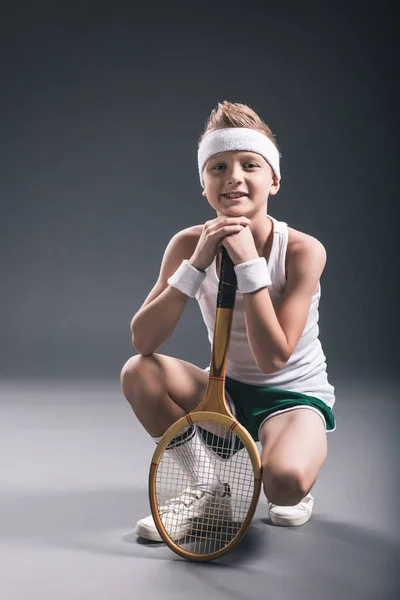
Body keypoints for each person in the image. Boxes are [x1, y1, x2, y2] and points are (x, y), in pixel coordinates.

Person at [120, 100, 336, 541]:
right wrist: (195, 265)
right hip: (225, 391)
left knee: (285, 485)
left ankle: (289, 465)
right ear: (203, 186)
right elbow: (143, 340)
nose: (233, 177)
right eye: (217, 167)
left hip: (293, 397)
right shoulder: (186, 243)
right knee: (139, 373)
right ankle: (209, 490)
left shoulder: (302, 250)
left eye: (249, 165)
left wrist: (249, 264)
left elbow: (274, 358)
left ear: (273, 180)